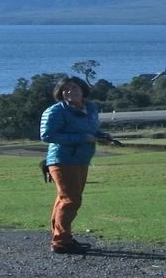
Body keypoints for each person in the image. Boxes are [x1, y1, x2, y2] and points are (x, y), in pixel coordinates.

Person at [39, 75, 118, 254]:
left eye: (74, 88)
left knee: (65, 198)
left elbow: (91, 130)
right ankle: (61, 241)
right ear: (60, 93)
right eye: (65, 89)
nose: (70, 91)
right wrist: (82, 138)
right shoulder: (56, 111)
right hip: (62, 159)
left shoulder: (90, 108)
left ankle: (61, 237)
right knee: (70, 199)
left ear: (83, 90)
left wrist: (102, 136)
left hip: (81, 158)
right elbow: (47, 136)